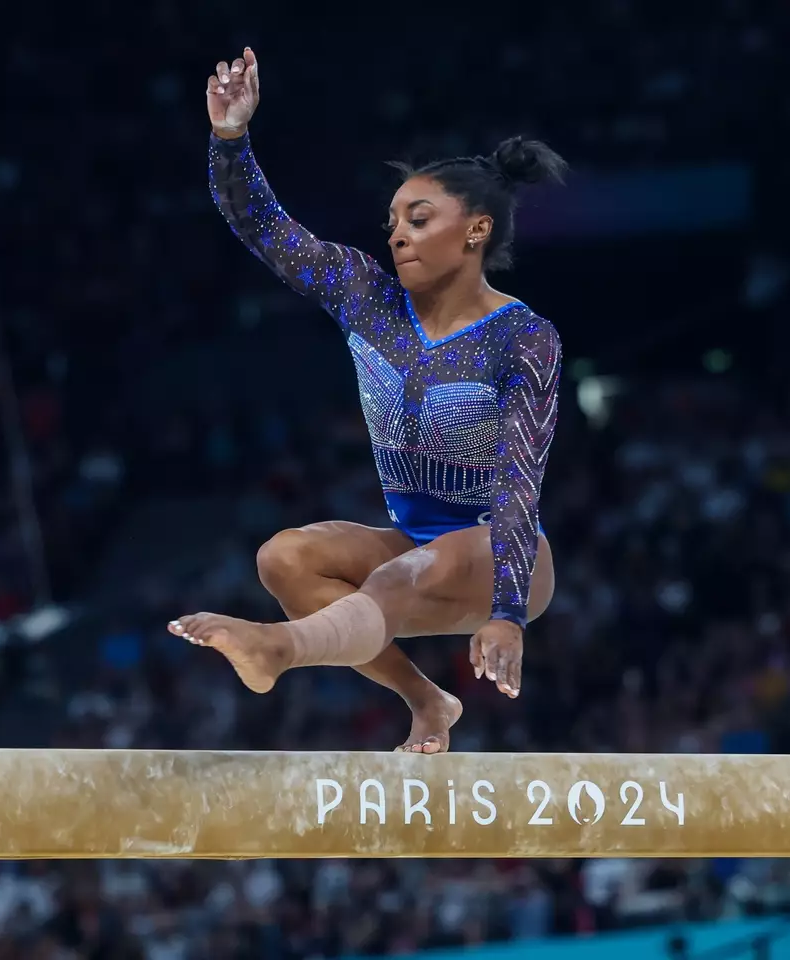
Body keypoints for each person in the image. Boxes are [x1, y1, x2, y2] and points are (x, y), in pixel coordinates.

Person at [169, 47, 565, 753]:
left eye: (418, 218)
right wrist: (231, 139)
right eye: (392, 220)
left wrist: (507, 613)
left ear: (476, 230)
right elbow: (267, 231)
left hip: (508, 559)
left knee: (407, 570)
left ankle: (277, 649)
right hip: (411, 548)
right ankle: (427, 701)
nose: (396, 234)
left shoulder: (524, 337)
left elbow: (518, 483)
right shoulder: (366, 296)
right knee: (283, 558)